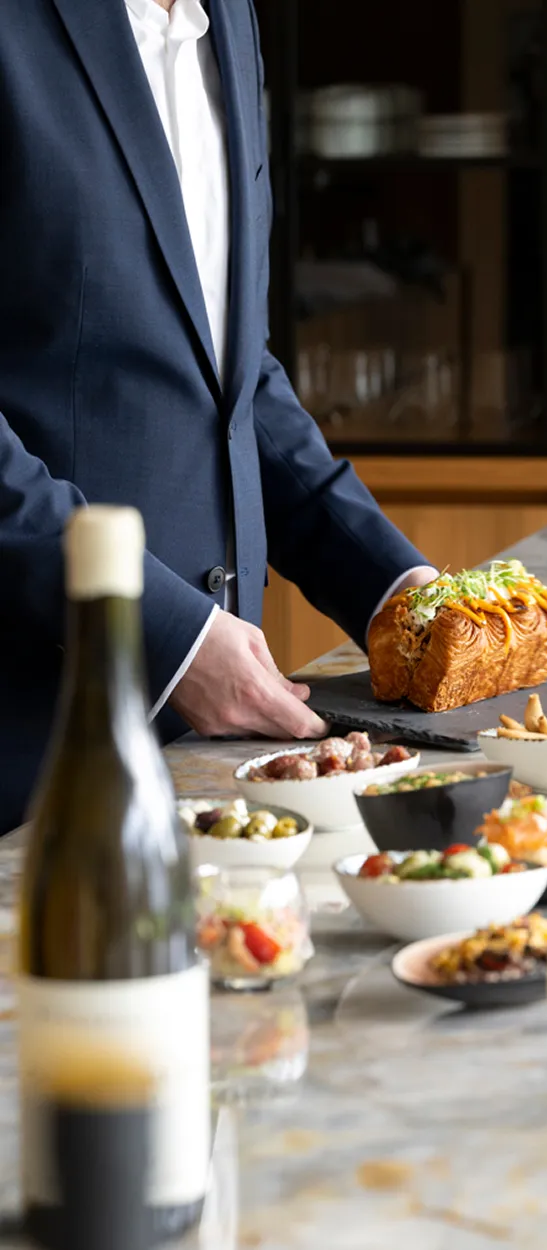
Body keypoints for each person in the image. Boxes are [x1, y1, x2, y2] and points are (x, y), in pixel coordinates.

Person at [0, 0, 438, 833]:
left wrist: (394, 592)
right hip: (35, 760)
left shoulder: (230, 22)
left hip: (217, 769)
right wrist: (163, 635)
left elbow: (232, 378)